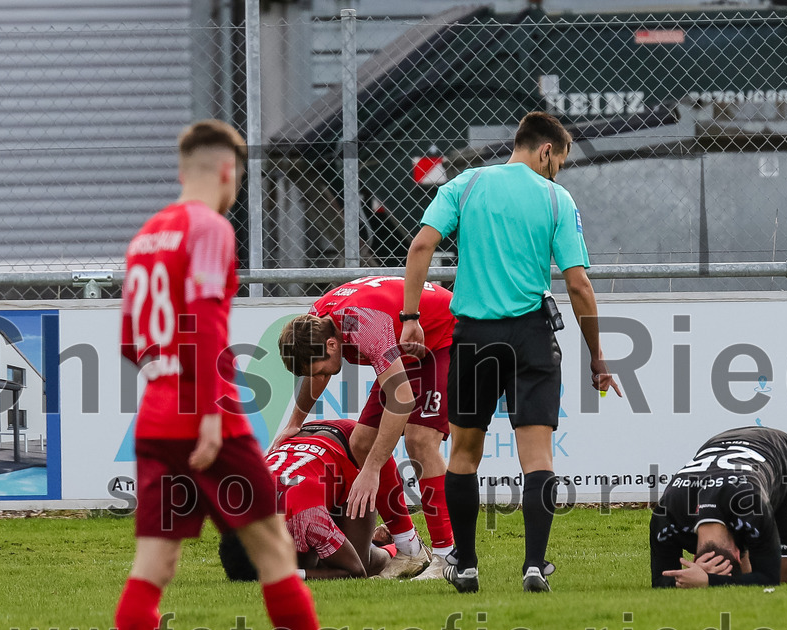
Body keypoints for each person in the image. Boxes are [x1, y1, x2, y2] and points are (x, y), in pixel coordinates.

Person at [104, 119, 384, 630]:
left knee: (154, 564)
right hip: (209, 417)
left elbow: (130, 340)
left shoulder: (146, 236)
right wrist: (206, 411)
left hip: (155, 412)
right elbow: (206, 321)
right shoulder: (211, 228)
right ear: (228, 172)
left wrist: (170, 390)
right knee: (274, 549)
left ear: (182, 170)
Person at [401, 110, 623, 594]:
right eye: (558, 163)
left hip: (475, 336)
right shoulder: (555, 198)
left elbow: (420, 247)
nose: (557, 172)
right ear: (546, 151)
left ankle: (467, 563)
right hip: (530, 337)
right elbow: (579, 284)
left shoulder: (466, 184)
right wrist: (597, 355)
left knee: (462, 453)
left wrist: (410, 317)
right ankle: (533, 565)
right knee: (537, 454)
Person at [277, 276, 455, 579]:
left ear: (332, 345)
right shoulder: (316, 324)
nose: (319, 376)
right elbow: (317, 374)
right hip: (406, 347)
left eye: (320, 368)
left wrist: (372, 470)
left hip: (445, 337)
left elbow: (402, 399)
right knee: (361, 442)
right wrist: (294, 423)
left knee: (420, 441)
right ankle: (409, 548)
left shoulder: (363, 326)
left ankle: (447, 555)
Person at [219, 419, 415, 581]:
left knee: (353, 561)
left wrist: (292, 574)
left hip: (352, 448)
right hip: (306, 445)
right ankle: (373, 539)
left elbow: (355, 570)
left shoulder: (306, 516)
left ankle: (399, 548)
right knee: (310, 559)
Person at [650, 426, 787, 588]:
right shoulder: (667, 514)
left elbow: (769, 577)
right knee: (751, 569)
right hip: (718, 446)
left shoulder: (751, 505)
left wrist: (708, 580)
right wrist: (689, 579)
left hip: (783, 457)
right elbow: (660, 580)